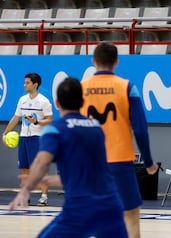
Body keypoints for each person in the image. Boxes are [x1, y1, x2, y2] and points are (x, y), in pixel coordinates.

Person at [9, 77, 128, 238]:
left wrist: (26, 189)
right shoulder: (96, 128)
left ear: (57, 103)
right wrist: (50, 180)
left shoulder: (55, 130)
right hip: (111, 206)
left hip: (80, 208)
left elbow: (42, 161)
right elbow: (91, 173)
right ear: (82, 101)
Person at [80, 42, 159, 238]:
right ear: (116, 61)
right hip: (119, 160)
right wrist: (148, 162)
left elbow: (70, 127)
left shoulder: (80, 88)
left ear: (93, 61)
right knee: (131, 214)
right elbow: (140, 129)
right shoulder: (127, 87)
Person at [2, 73, 52, 206]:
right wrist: (5, 133)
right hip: (24, 137)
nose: (25, 85)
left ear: (35, 85)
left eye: (27, 83)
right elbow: (15, 118)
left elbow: (49, 120)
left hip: (38, 138)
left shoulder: (44, 101)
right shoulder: (22, 100)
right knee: (24, 168)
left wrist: (36, 122)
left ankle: (44, 196)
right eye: (24, 82)